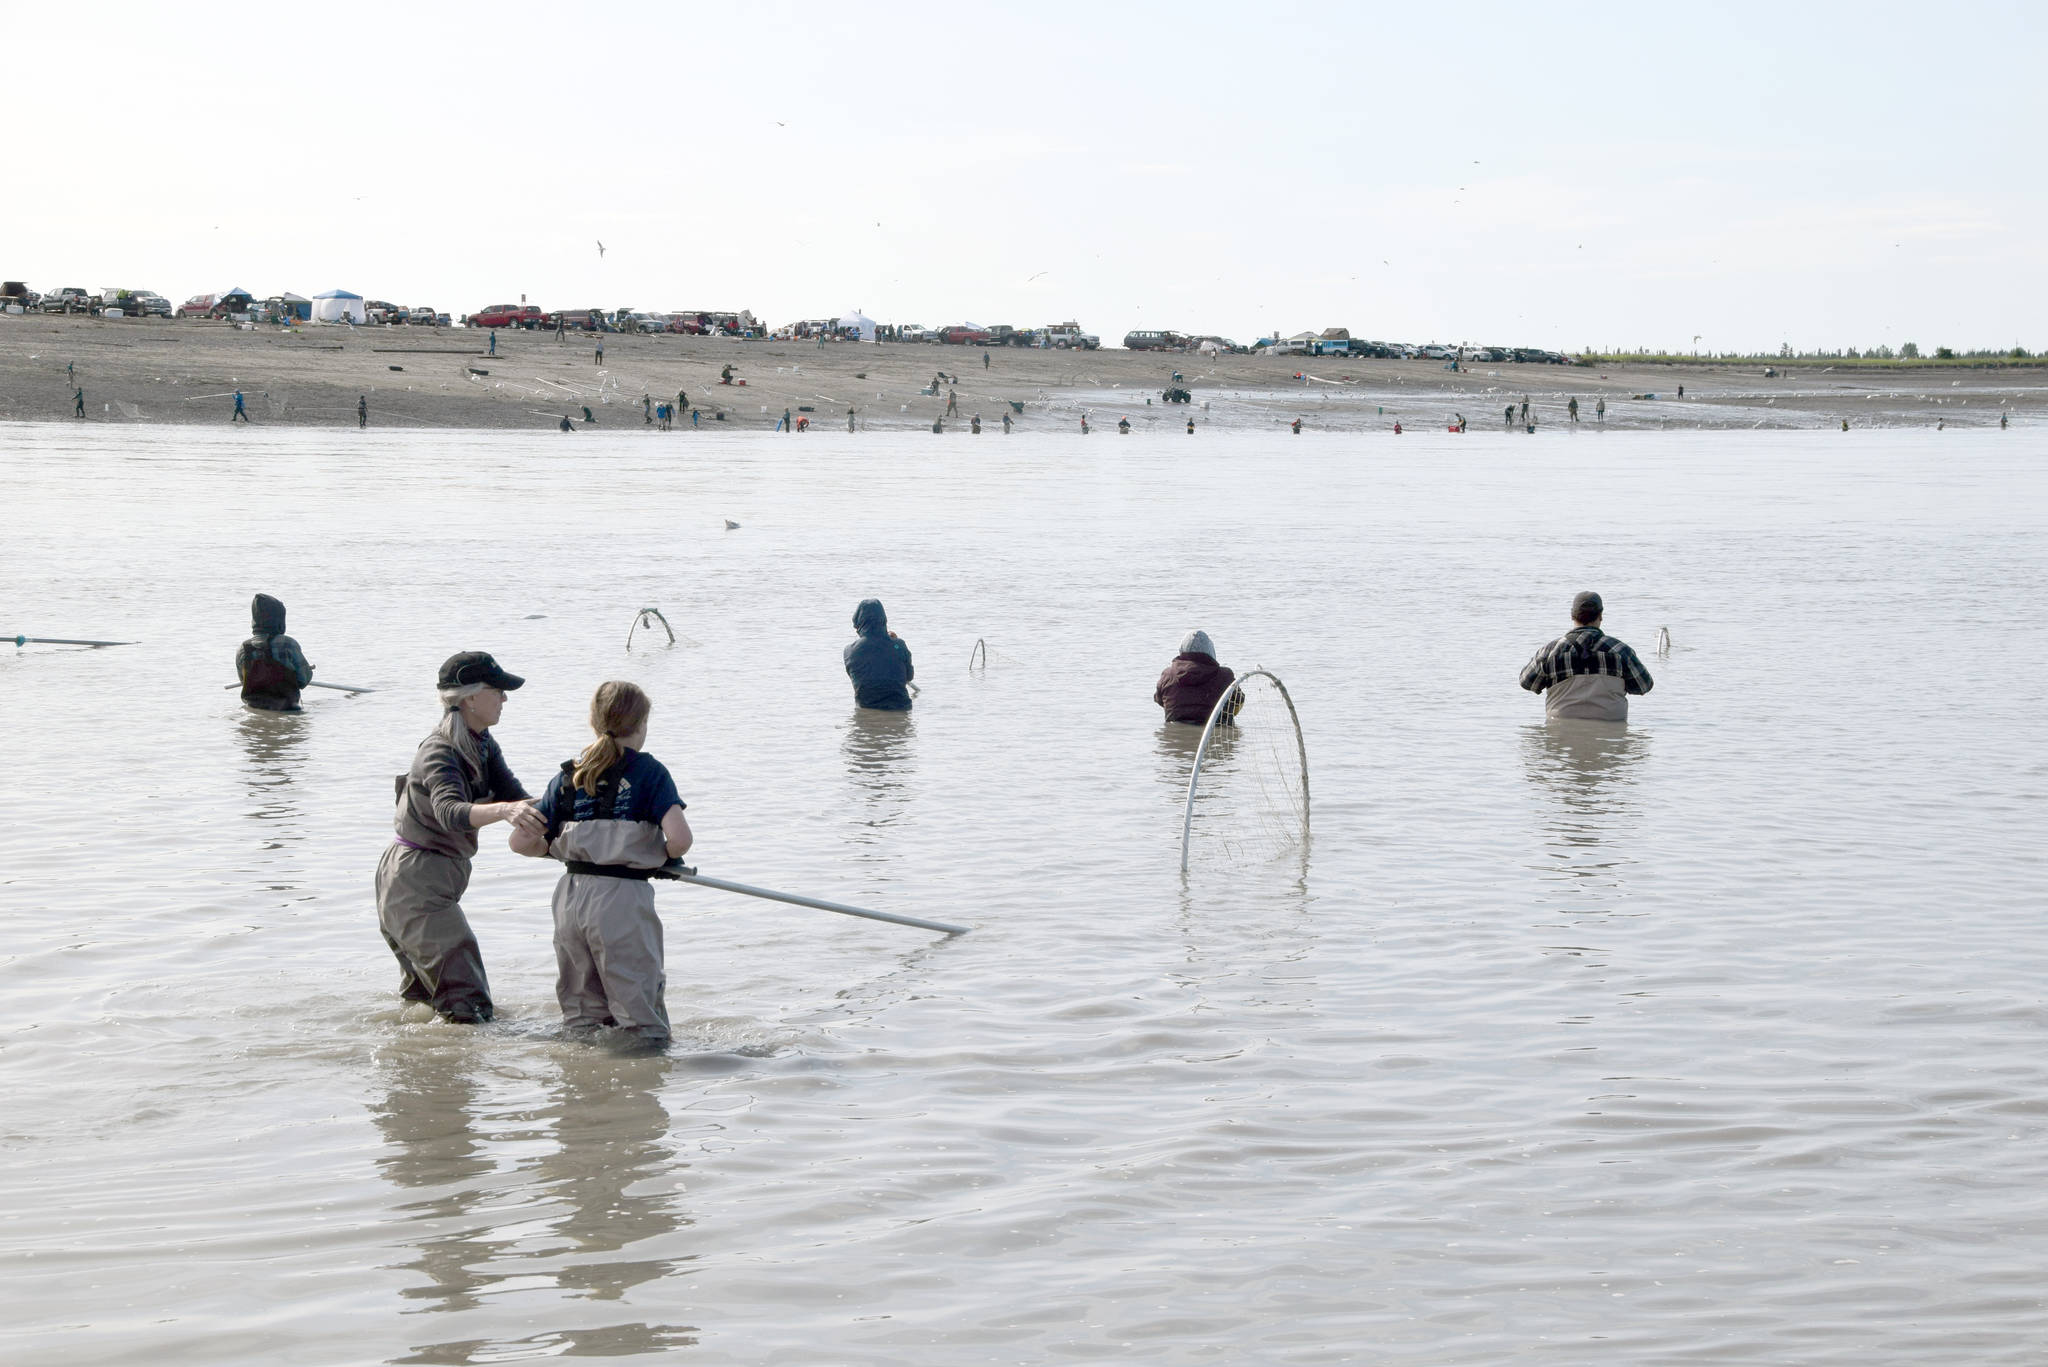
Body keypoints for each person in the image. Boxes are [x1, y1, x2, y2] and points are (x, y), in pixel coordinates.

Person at [511, 681, 691, 1048]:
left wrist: (555, 851)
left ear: (593, 723)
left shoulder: (569, 775)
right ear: (641, 725)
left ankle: (583, 1088)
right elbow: (681, 839)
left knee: (581, 1009)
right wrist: (665, 858)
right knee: (639, 1010)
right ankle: (638, 1083)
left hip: (570, 896)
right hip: (621, 897)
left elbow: (520, 841)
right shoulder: (649, 772)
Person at [377, 651, 542, 1024]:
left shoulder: (482, 743)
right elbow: (450, 813)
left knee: (429, 1005)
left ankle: (424, 1075)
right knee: (469, 1008)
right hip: (415, 881)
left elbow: (517, 798)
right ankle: (457, 1077)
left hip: (422, 880)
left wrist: (577, 803)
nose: (505, 698)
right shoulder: (440, 750)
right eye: (497, 690)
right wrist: (502, 811)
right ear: (469, 698)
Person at [1518, 591, 1654, 723]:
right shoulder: (1621, 651)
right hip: (1610, 728)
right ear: (1600, 616)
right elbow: (1644, 686)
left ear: (1572, 616)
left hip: (1561, 729)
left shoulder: (1549, 652)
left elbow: (1526, 682)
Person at [235, 593, 314, 711]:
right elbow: (304, 679)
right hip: (287, 710)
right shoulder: (288, 644)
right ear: (279, 620)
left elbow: (243, 681)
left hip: (254, 709)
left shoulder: (243, 648)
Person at [1154, 631, 1237, 725]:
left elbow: (1160, 700)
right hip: (1215, 733)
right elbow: (1238, 702)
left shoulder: (1167, 675)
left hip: (1175, 735)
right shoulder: (1225, 675)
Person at [844, 599, 914, 711]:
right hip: (900, 708)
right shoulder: (899, 645)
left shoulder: (849, 651)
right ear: (883, 619)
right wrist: (895, 643)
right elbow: (909, 676)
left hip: (866, 710)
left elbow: (858, 678)